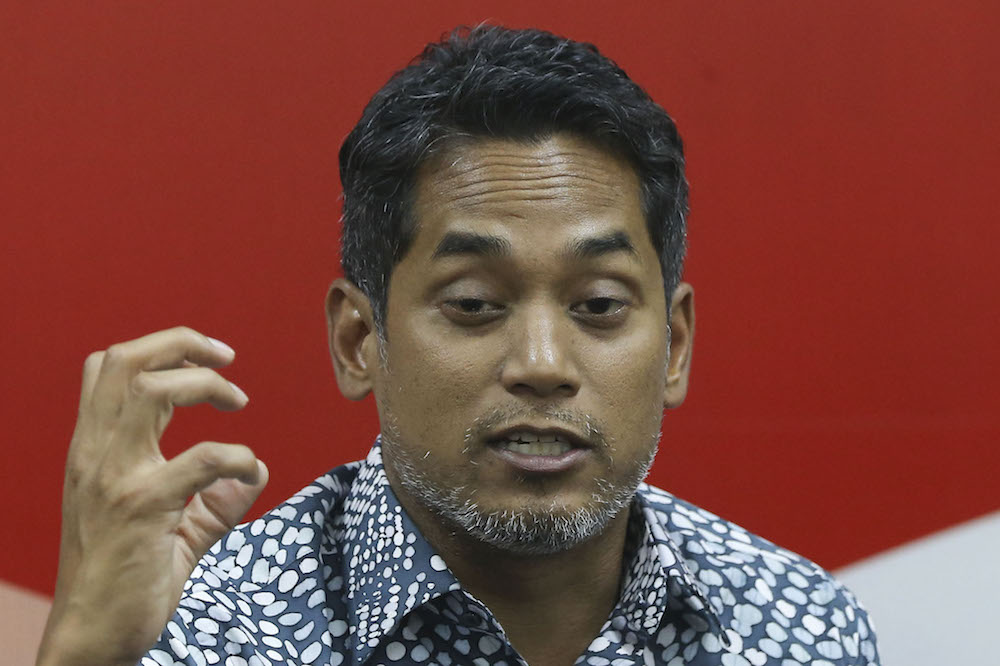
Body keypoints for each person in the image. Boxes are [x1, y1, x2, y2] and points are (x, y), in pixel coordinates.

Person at [37, 25, 880, 666]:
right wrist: (85, 654)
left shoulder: (793, 625)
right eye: (475, 304)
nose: (543, 364)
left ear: (676, 345)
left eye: (597, 304)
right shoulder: (213, 626)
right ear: (360, 338)